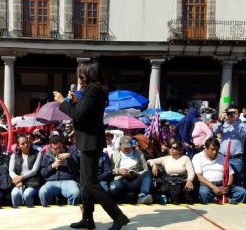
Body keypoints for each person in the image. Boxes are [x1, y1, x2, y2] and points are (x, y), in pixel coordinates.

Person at [55, 60, 129, 230]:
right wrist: (74, 101)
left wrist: (63, 101)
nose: (78, 76)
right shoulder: (91, 90)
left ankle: (118, 216)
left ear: (87, 74)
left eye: (80, 73)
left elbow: (79, 116)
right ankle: (87, 218)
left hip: (90, 141)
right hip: (87, 140)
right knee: (84, 183)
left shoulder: (93, 90)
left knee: (90, 184)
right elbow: (81, 113)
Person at [192, 138, 246, 204]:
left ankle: (228, 201)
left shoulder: (222, 158)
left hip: (223, 184)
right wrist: (214, 187)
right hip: (207, 185)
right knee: (204, 193)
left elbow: (230, 174)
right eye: (212, 149)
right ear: (206, 148)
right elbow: (199, 176)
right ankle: (216, 200)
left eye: (217, 150)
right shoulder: (197, 157)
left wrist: (227, 187)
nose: (214, 152)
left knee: (242, 192)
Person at [147, 140, 196, 204]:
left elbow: (191, 171)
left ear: (180, 150)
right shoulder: (166, 159)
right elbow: (148, 161)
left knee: (188, 190)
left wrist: (190, 180)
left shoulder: (185, 158)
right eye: (171, 147)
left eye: (175, 148)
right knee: (175, 192)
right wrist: (153, 165)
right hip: (170, 181)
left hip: (182, 180)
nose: (172, 149)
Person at [213, 105, 246, 186]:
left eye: (234, 113)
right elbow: (215, 131)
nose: (232, 114)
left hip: (236, 159)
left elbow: (243, 133)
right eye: (230, 113)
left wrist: (234, 122)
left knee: (236, 182)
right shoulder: (224, 124)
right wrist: (220, 120)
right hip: (222, 157)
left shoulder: (244, 125)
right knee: (222, 181)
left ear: (239, 114)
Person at [110, 136, 153, 204]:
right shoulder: (114, 155)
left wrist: (136, 173)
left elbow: (145, 169)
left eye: (129, 147)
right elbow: (110, 170)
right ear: (120, 145)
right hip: (121, 180)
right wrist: (119, 171)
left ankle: (143, 196)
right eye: (125, 148)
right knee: (113, 189)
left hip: (135, 180)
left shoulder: (139, 153)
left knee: (148, 173)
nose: (127, 149)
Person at [9, 135, 42, 207]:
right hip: (19, 182)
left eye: (27, 142)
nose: (26, 145)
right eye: (22, 144)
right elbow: (11, 170)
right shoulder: (14, 156)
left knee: (27, 194)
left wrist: (21, 177)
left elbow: (34, 170)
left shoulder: (37, 153)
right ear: (18, 146)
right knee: (15, 194)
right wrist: (17, 180)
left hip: (33, 182)